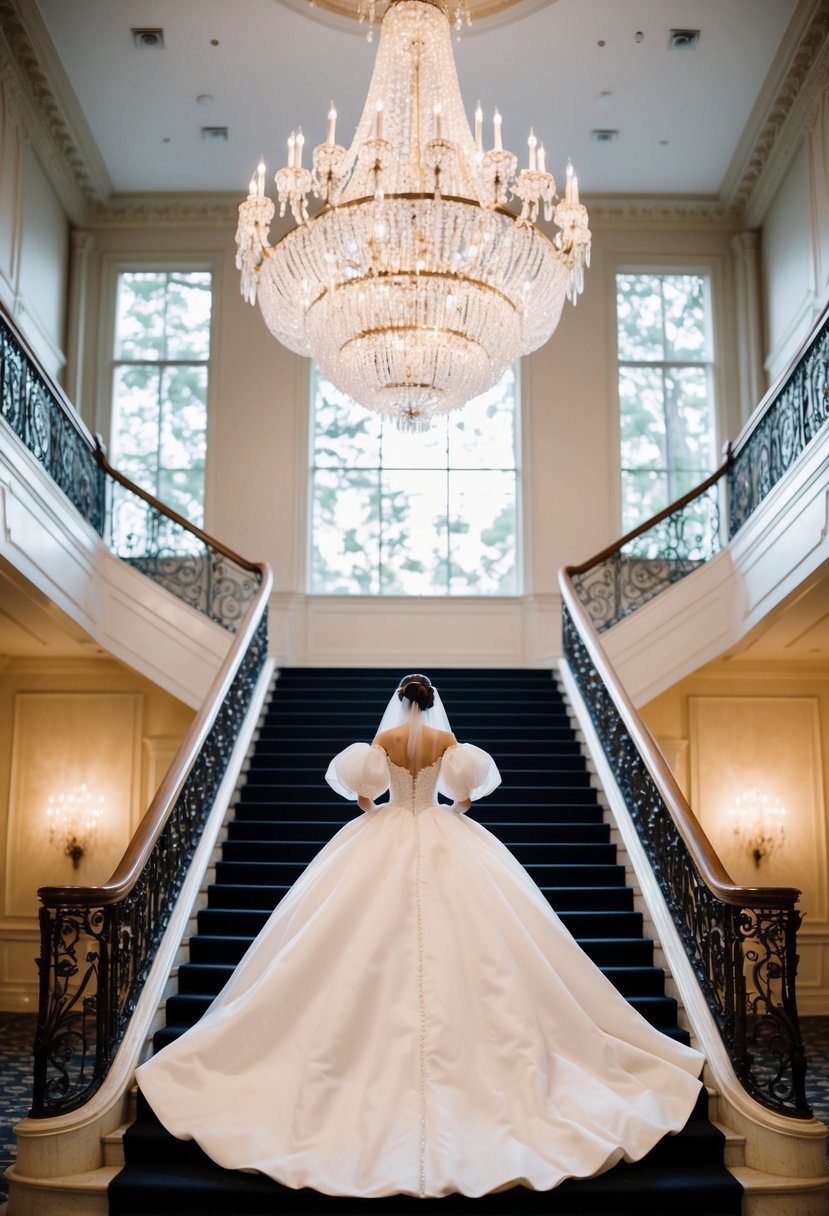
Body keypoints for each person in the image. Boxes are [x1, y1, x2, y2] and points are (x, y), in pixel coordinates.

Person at [137, 673, 703, 1200]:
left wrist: (373, 807)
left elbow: (364, 793)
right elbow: (466, 795)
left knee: (338, 946)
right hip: (443, 832)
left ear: (399, 701)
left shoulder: (380, 739)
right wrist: (454, 809)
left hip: (381, 834)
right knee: (490, 952)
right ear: (430, 702)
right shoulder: (446, 740)